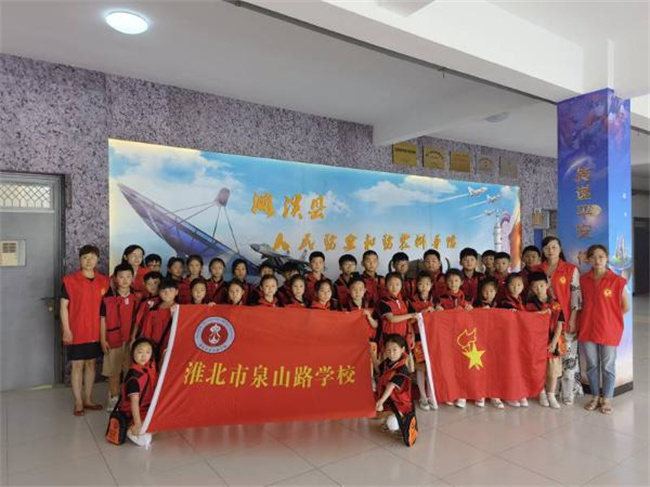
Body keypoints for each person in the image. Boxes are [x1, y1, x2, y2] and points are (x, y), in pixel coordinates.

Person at [578, 244, 630, 415]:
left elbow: (626, 307)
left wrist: (609, 318)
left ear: (607, 258)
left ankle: (607, 398)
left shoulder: (617, 281)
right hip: (588, 328)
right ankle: (595, 396)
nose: (597, 260)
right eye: (593, 257)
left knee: (608, 366)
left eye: (601, 256)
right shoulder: (583, 280)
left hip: (609, 330)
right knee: (592, 365)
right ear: (588, 260)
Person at [60, 245, 110, 416]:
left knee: (91, 364)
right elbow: (63, 307)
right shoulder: (70, 281)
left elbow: (105, 310)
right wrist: (66, 329)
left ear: (97, 259)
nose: (89, 261)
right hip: (76, 330)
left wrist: (104, 335)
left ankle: (88, 399)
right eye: (85, 257)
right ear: (80, 260)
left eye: (92, 257)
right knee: (77, 365)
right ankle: (78, 402)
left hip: (95, 331)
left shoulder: (104, 281)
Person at [541, 236, 583, 405]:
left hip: (566, 319)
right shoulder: (539, 269)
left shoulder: (570, 269)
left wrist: (573, 318)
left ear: (560, 248)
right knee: (551, 357)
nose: (550, 251)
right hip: (545, 322)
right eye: (547, 248)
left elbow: (576, 295)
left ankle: (568, 392)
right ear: (543, 251)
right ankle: (552, 390)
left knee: (568, 357)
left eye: (554, 247)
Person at [100, 263, 139, 412]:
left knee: (129, 370)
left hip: (130, 341)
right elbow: (102, 319)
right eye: (121, 277)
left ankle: (126, 399)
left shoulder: (136, 297)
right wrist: (103, 339)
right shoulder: (108, 298)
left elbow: (137, 320)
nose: (125, 280)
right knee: (113, 372)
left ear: (133, 278)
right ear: (115, 278)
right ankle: (113, 398)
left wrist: (134, 338)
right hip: (112, 339)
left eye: (128, 276)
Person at [526, 272, 566, 409]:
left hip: (553, 342)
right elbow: (526, 322)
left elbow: (560, 325)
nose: (539, 289)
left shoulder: (556, 304)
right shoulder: (529, 305)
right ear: (531, 288)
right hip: (536, 343)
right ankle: (541, 393)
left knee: (553, 371)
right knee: (539, 370)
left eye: (541, 286)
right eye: (535, 287)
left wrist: (554, 342)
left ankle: (551, 394)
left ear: (547, 285)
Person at [118, 338, 158, 447]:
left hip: (147, 409)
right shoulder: (134, 377)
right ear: (133, 353)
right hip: (132, 413)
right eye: (140, 352)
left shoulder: (149, 368)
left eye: (148, 352)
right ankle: (131, 429)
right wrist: (138, 424)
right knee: (144, 441)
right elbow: (134, 403)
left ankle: (145, 427)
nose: (144, 356)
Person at [374, 334, 414, 437]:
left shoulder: (402, 369)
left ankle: (401, 425)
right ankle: (391, 418)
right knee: (376, 413)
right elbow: (378, 370)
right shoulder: (388, 362)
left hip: (400, 402)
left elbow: (391, 386)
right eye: (388, 350)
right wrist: (372, 355)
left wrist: (381, 401)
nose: (391, 354)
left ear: (402, 349)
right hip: (390, 399)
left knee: (392, 423)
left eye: (395, 350)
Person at [408, 272, 437, 411]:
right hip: (419, 337)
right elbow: (409, 321)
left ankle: (431, 395)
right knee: (420, 367)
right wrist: (422, 313)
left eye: (427, 284)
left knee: (431, 367)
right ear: (416, 285)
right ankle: (422, 396)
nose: (424, 287)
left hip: (433, 338)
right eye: (421, 284)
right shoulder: (411, 301)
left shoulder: (436, 300)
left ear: (431, 285)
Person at [472, 276, 503, 409]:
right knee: (480, 368)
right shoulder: (475, 304)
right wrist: (477, 312)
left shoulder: (501, 305)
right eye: (485, 291)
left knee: (494, 368)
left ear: (496, 292)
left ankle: (494, 394)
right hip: (479, 341)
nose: (488, 294)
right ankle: (480, 393)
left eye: (491, 291)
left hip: (495, 341)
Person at [137, 279, 177, 359]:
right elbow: (146, 333)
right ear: (159, 292)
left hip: (174, 348)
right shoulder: (153, 311)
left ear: (176, 292)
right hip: (156, 348)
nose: (167, 294)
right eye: (163, 291)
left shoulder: (180, 310)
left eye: (170, 291)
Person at [344, 276, 379, 364]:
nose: (357, 292)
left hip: (369, 340)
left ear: (365, 290)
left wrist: (369, 317)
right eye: (354, 289)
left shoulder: (371, 305)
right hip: (353, 341)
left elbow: (376, 325)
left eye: (360, 289)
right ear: (348, 290)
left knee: (371, 365)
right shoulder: (344, 306)